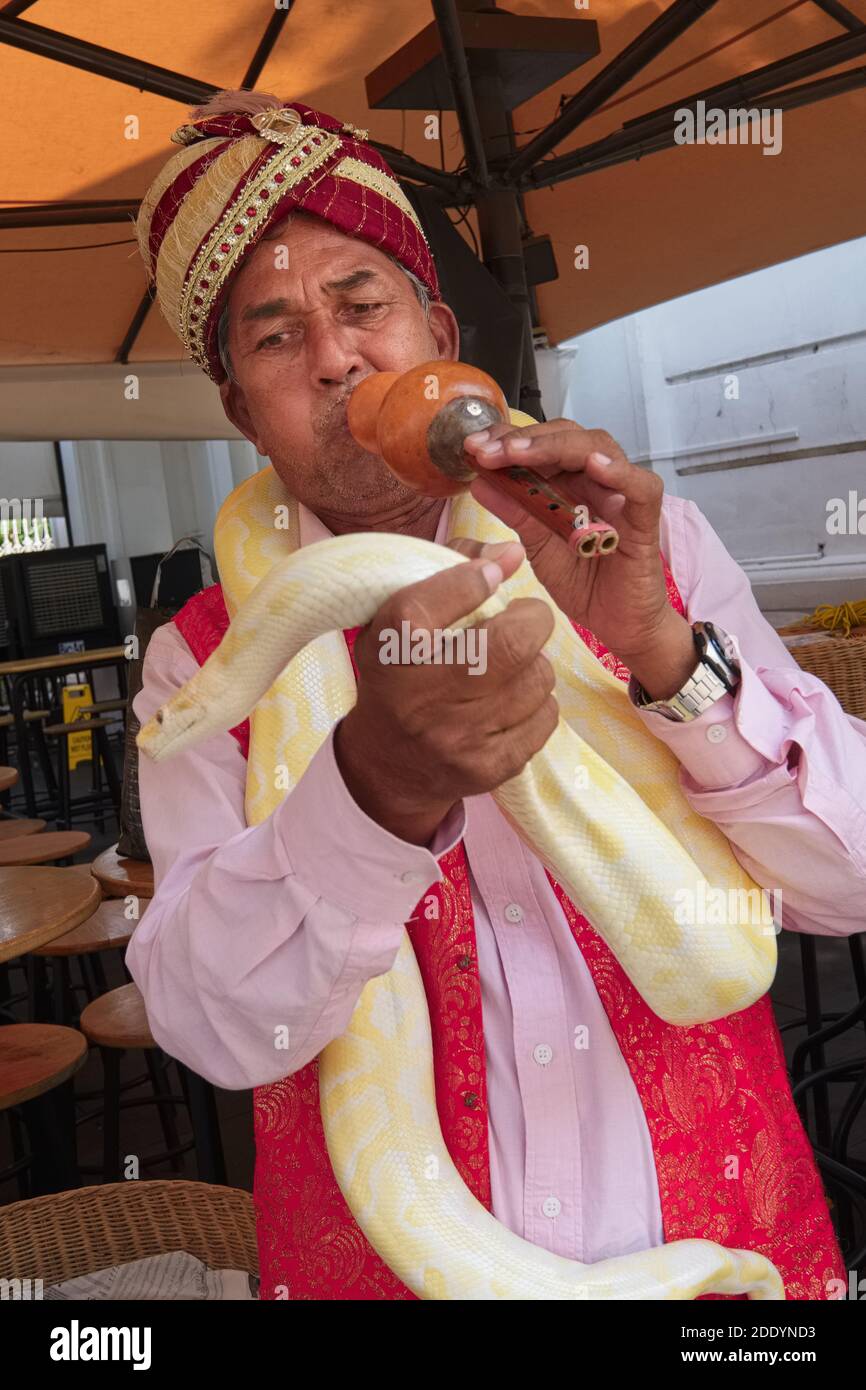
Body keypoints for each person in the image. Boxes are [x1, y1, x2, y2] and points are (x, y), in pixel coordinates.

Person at [127, 89, 865, 1300]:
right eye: (273, 339)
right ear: (237, 411)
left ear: (434, 330)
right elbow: (216, 1032)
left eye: (362, 307)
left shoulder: (643, 543)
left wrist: (665, 655)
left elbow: (843, 888)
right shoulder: (206, 661)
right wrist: (373, 797)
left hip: (730, 1252)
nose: (333, 357)